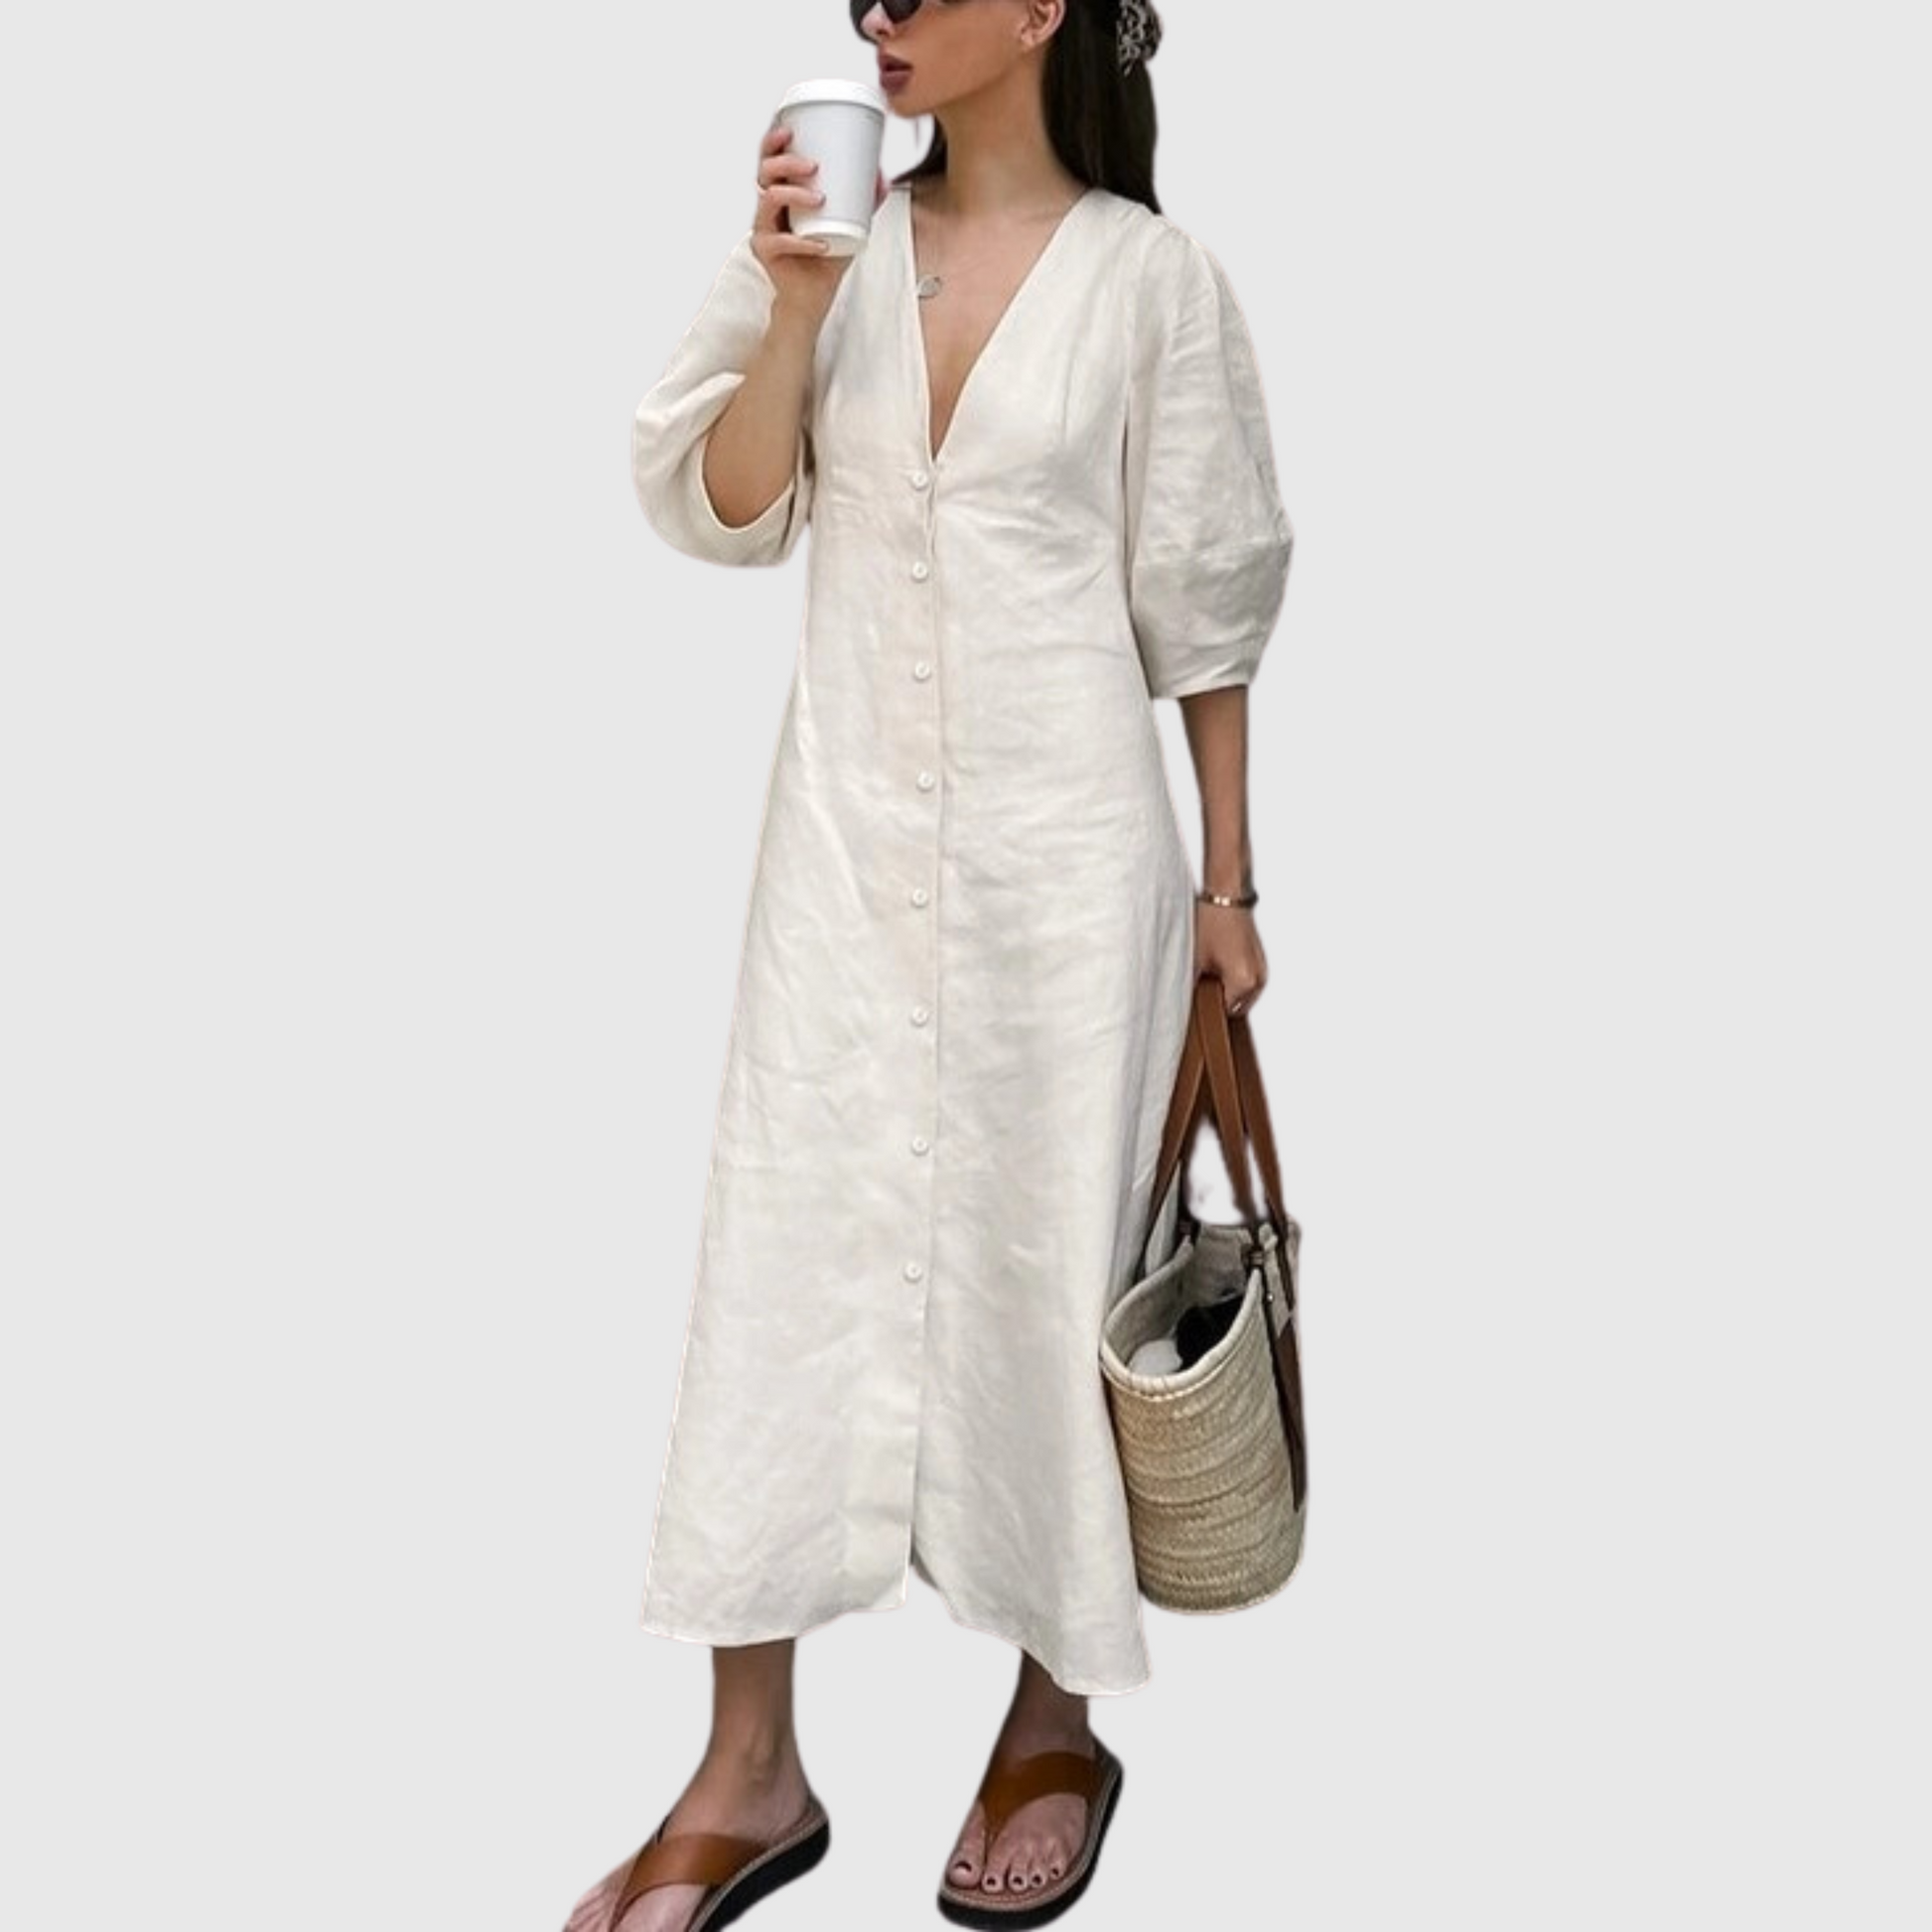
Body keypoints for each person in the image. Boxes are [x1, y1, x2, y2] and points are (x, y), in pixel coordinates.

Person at [569, 2, 1292, 1927]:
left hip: (1072, 877)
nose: (878, 17)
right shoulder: (830, 244)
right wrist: (794, 303)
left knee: (1060, 1269)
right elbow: (725, 509)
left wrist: (1230, 892)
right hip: (844, 862)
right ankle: (750, 1768)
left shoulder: (1150, 282)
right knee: (785, 1276)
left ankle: (1054, 1720)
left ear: (1043, 8)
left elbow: (1204, 599)